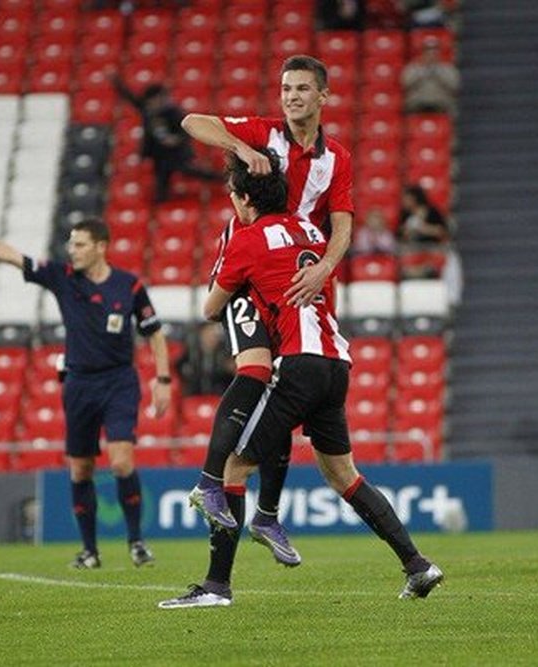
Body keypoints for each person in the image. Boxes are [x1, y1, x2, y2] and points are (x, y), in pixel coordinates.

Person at [158, 155, 443, 607]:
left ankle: (216, 586)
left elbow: (211, 308)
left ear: (245, 200)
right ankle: (417, 565)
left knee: (233, 467)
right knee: (343, 474)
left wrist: (247, 294)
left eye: (234, 195)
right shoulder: (312, 231)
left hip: (297, 364)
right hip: (336, 363)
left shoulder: (248, 239)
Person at [179, 55, 354, 570]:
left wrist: (324, 269)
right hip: (252, 267)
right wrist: (238, 146)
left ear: (323, 96)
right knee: (256, 368)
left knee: (286, 393)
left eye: (302, 88)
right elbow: (192, 122)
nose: (292, 96)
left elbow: (342, 224)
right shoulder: (263, 133)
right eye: (285, 88)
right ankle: (212, 484)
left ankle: (268, 513)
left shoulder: (336, 158)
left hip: (299, 278)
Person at [0, 207, 170, 569]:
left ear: (101, 247)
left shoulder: (129, 285)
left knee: (121, 460)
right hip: (79, 382)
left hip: (119, 381)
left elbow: (154, 332)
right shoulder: (63, 278)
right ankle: (90, 550)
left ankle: (136, 542)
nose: (72, 250)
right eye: (71, 244)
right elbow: (10, 256)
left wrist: (162, 380)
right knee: (80, 469)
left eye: (80, 244)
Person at [113, 78, 221, 201]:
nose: (151, 103)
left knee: (191, 171)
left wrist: (175, 140)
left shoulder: (173, 112)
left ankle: (224, 179)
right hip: (159, 155)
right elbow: (132, 99)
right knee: (162, 181)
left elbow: (186, 130)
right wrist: (117, 82)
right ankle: (161, 204)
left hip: (175, 154)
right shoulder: (148, 109)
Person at [401, 37, 460, 115]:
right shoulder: (413, 68)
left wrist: (438, 72)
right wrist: (422, 72)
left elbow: (454, 86)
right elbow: (405, 84)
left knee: (451, 107)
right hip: (417, 103)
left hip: (441, 103)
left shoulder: (448, 68)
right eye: (428, 50)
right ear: (423, 52)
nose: (431, 53)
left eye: (435, 50)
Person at [176, 322, 235, 396]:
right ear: (201, 334)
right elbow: (179, 368)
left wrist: (228, 369)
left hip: (218, 394)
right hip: (194, 395)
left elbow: (230, 375)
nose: (212, 338)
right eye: (208, 334)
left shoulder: (224, 353)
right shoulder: (191, 352)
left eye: (214, 335)